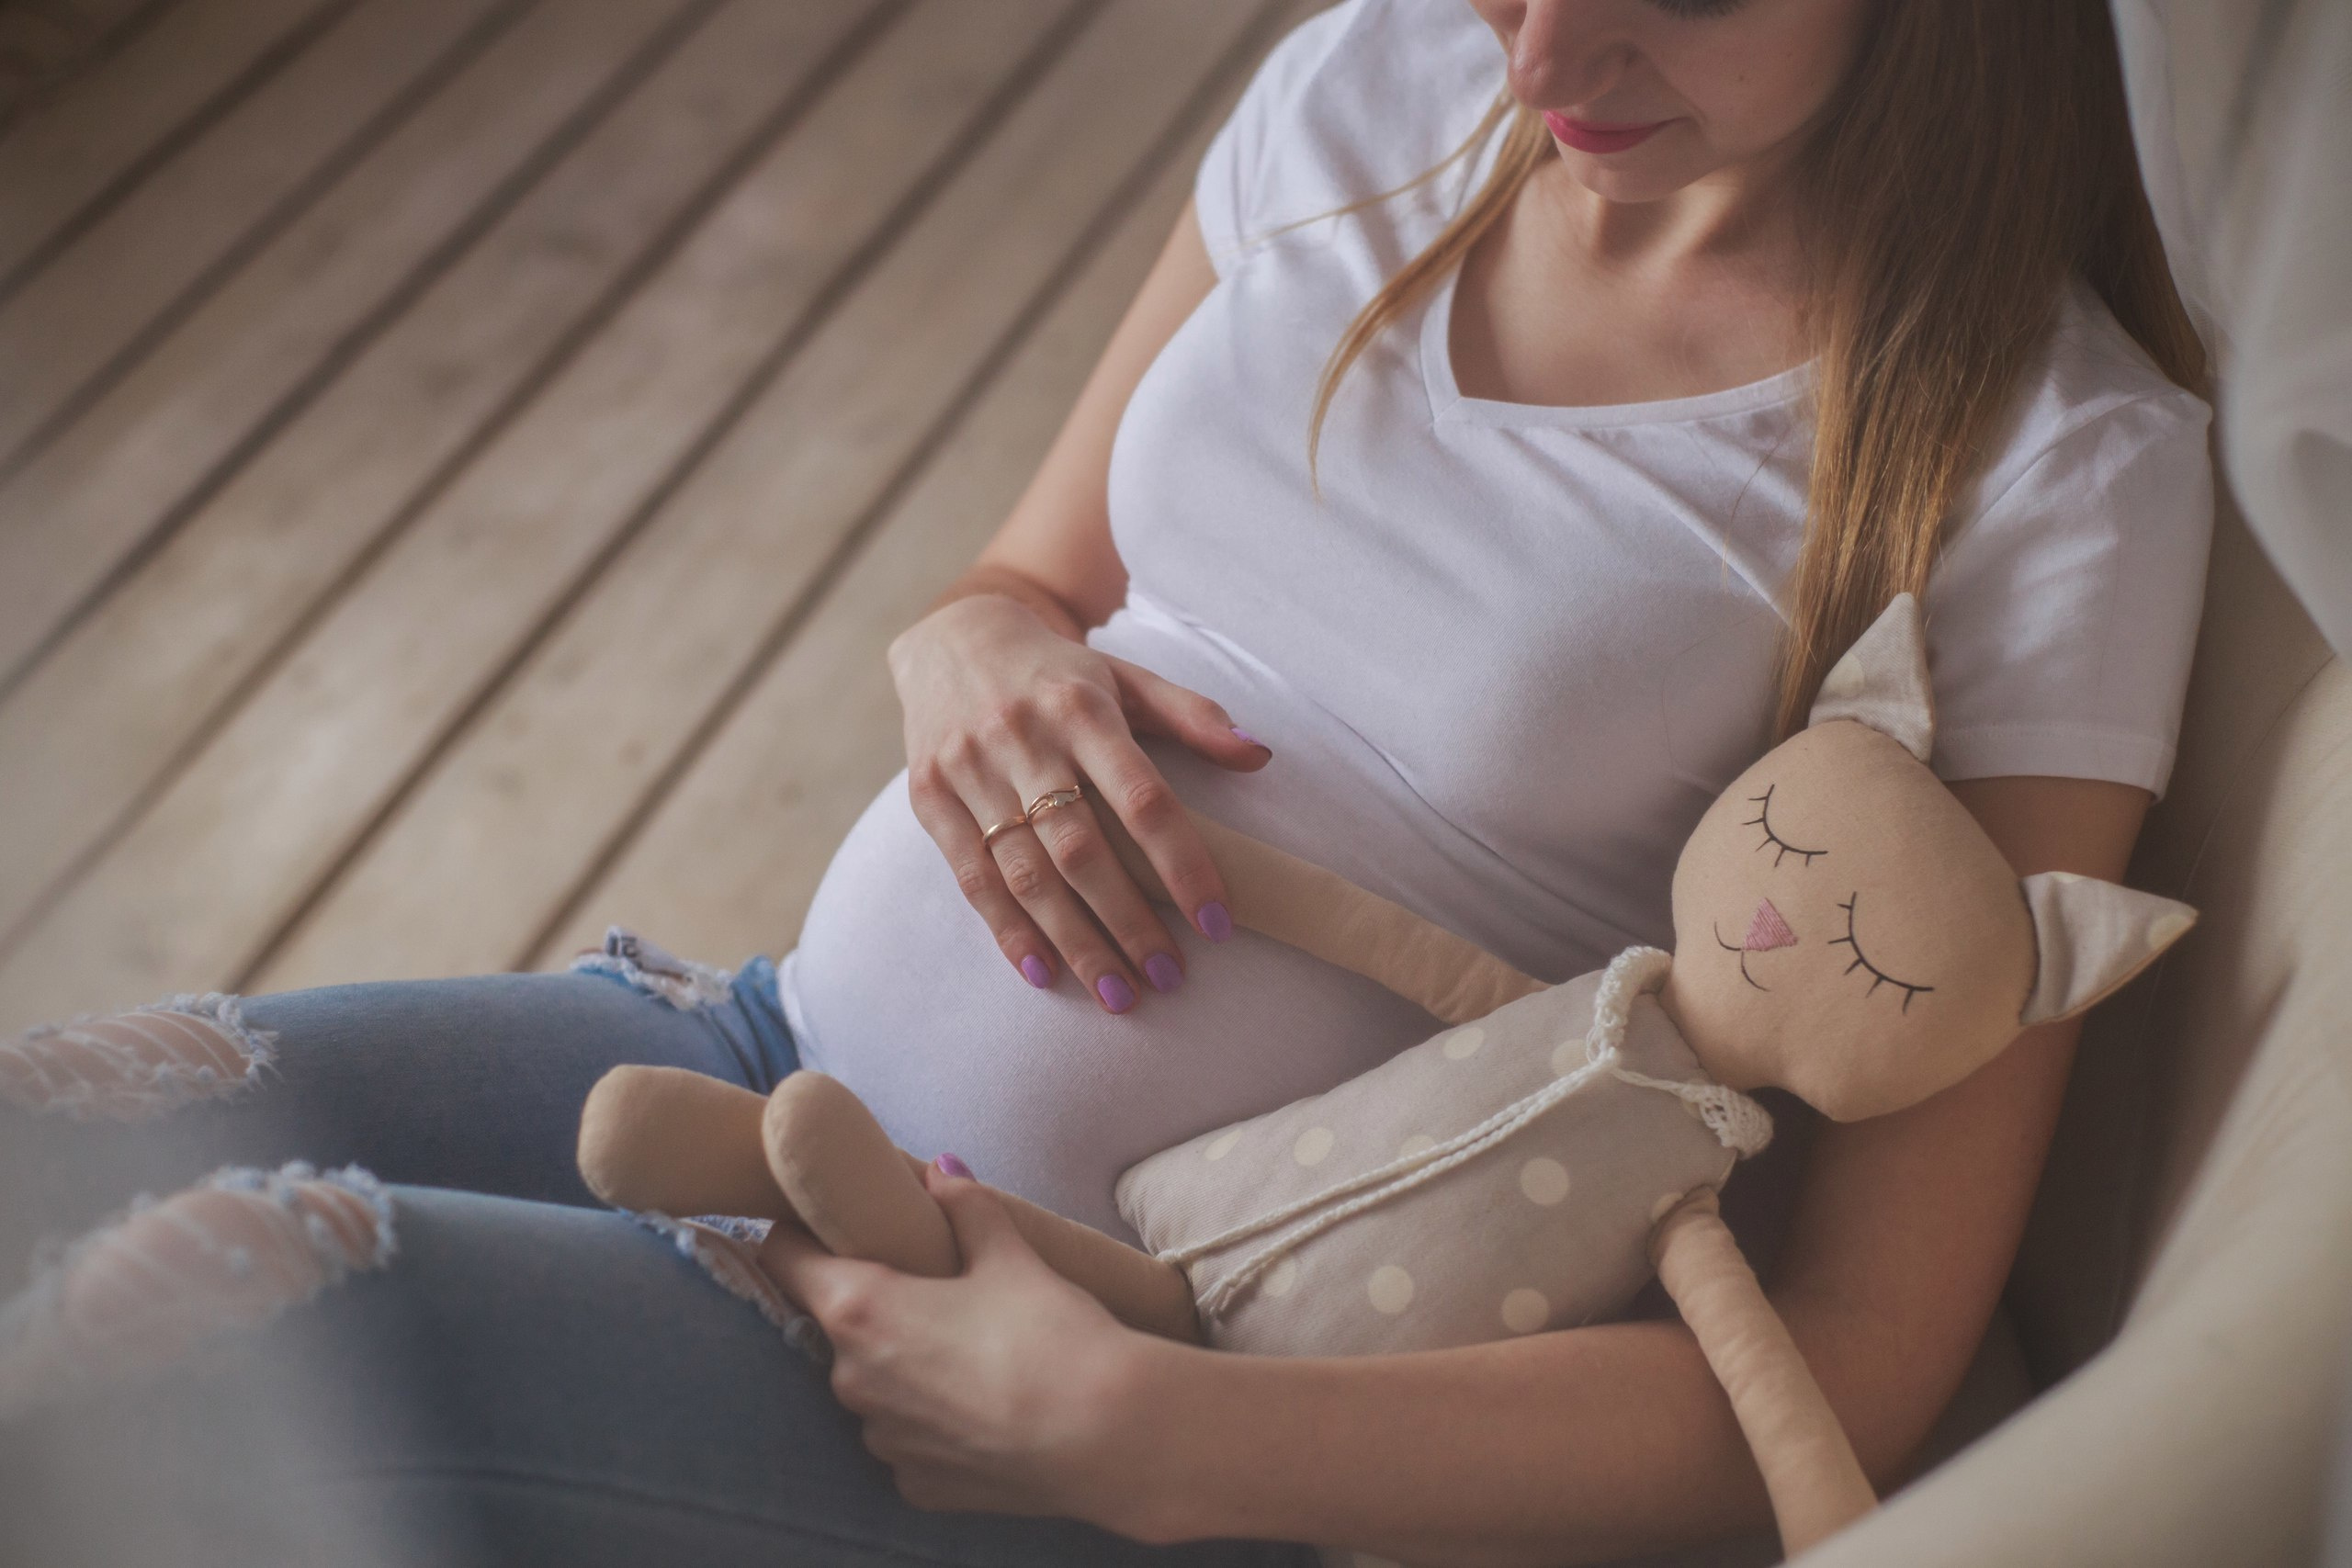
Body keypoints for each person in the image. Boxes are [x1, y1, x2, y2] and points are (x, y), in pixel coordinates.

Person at [0, 1, 2215, 1563]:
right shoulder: (1375, 76)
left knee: (219, 1341)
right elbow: (1024, 576)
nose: (1540, 57)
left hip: (1128, 1391)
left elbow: (1858, 1352)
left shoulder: (2045, 466)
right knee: (50, 1119)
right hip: (753, 1046)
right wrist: (959, 636)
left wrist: (1163, 1438)